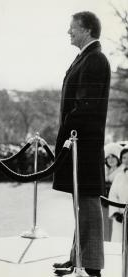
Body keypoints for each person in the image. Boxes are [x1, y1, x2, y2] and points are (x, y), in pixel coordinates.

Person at [52, 11, 111, 277]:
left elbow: (84, 107)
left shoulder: (95, 59)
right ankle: (79, 257)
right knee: (82, 202)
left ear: (86, 29)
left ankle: (92, 265)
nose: (68, 32)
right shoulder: (87, 58)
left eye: (72, 28)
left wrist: (64, 136)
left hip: (83, 144)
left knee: (87, 203)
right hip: (80, 142)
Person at [103, 142, 123, 241]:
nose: (110, 160)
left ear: (118, 158)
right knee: (104, 228)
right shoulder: (103, 171)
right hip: (104, 204)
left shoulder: (122, 172)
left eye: (113, 157)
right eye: (108, 157)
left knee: (117, 232)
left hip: (118, 206)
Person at [108, 148, 128, 242]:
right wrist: (116, 213)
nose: (126, 160)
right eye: (124, 157)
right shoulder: (119, 176)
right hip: (120, 216)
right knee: (119, 242)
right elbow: (113, 195)